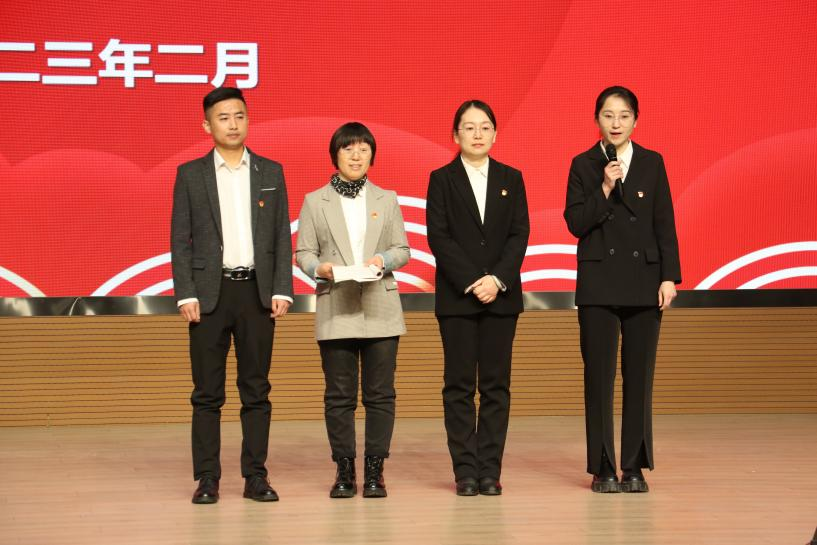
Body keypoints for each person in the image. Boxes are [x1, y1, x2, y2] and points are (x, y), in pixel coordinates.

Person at [170, 87, 293, 504]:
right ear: (207, 126)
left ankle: (255, 476)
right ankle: (207, 478)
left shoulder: (270, 172)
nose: (233, 124)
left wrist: (281, 287)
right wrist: (185, 293)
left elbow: (280, 235)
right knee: (207, 393)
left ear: (248, 120)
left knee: (256, 390)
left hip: (257, 293)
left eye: (239, 115)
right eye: (223, 118)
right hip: (209, 295)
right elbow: (181, 239)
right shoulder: (191, 174)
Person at [563, 85, 681, 493]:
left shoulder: (652, 162)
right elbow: (575, 223)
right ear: (597, 119)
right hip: (598, 282)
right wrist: (604, 189)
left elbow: (664, 222)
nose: (616, 123)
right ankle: (602, 467)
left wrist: (669, 277)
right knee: (598, 378)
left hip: (645, 280)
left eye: (624, 115)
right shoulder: (583, 165)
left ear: (635, 121)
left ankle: (633, 466)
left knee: (639, 377)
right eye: (608, 115)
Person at [295, 122, 410, 498]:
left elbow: (402, 249)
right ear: (336, 155)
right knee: (339, 395)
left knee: (380, 394)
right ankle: (344, 471)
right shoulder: (315, 201)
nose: (356, 155)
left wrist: (383, 260)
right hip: (336, 303)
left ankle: (375, 472)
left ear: (372, 155)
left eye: (363, 149)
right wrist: (320, 269)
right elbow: (303, 253)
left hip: (381, 305)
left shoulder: (386, 198)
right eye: (348, 149)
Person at [426, 100, 530, 496]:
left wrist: (497, 279)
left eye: (484, 127)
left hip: (501, 299)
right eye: (469, 127)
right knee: (458, 386)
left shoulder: (511, 178)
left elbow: (519, 233)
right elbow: (439, 236)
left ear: (495, 134)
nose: (477, 134)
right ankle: (465, 472)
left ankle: (490, 470)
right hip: (458, 298)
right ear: (455, 135)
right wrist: (473, 280)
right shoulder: (441, 179)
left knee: (495, 387)